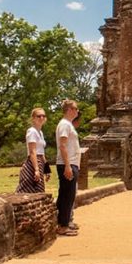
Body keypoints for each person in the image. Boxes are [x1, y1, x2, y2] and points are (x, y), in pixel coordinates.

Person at [55, 99, 81, 236]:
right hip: (67, 163)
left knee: (67, 195)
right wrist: (67, 166)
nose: (77, 111)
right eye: (75, 109)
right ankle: (62, 226)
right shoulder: (64, 124)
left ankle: (63, 222)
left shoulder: (68, 125)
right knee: (67, 195)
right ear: (69, 110)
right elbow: (62, 146)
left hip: (71, 163)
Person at [16, 108, 48, 193]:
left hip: (40, 162)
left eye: (43, 116)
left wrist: (47, 170)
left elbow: (42, 153)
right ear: (33, 118)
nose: (41, 118)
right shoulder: (32, 131)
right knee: (27, 191)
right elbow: (32, 152)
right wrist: (36, 169)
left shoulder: (40, 132)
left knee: (39, 191)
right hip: (33, 164)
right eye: (39, 116)